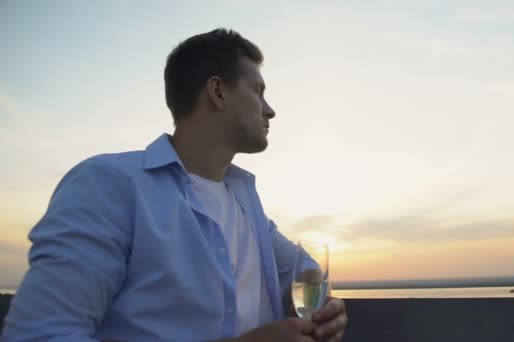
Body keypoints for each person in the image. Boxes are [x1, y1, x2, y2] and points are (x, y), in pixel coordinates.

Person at [2, 28, 347, 342]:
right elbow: (39, 335)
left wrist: (324, 308)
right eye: (258, 91)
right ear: (217, 92)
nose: (269, 110)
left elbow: (302, 267)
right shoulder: (110, 185)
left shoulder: (245, 199)